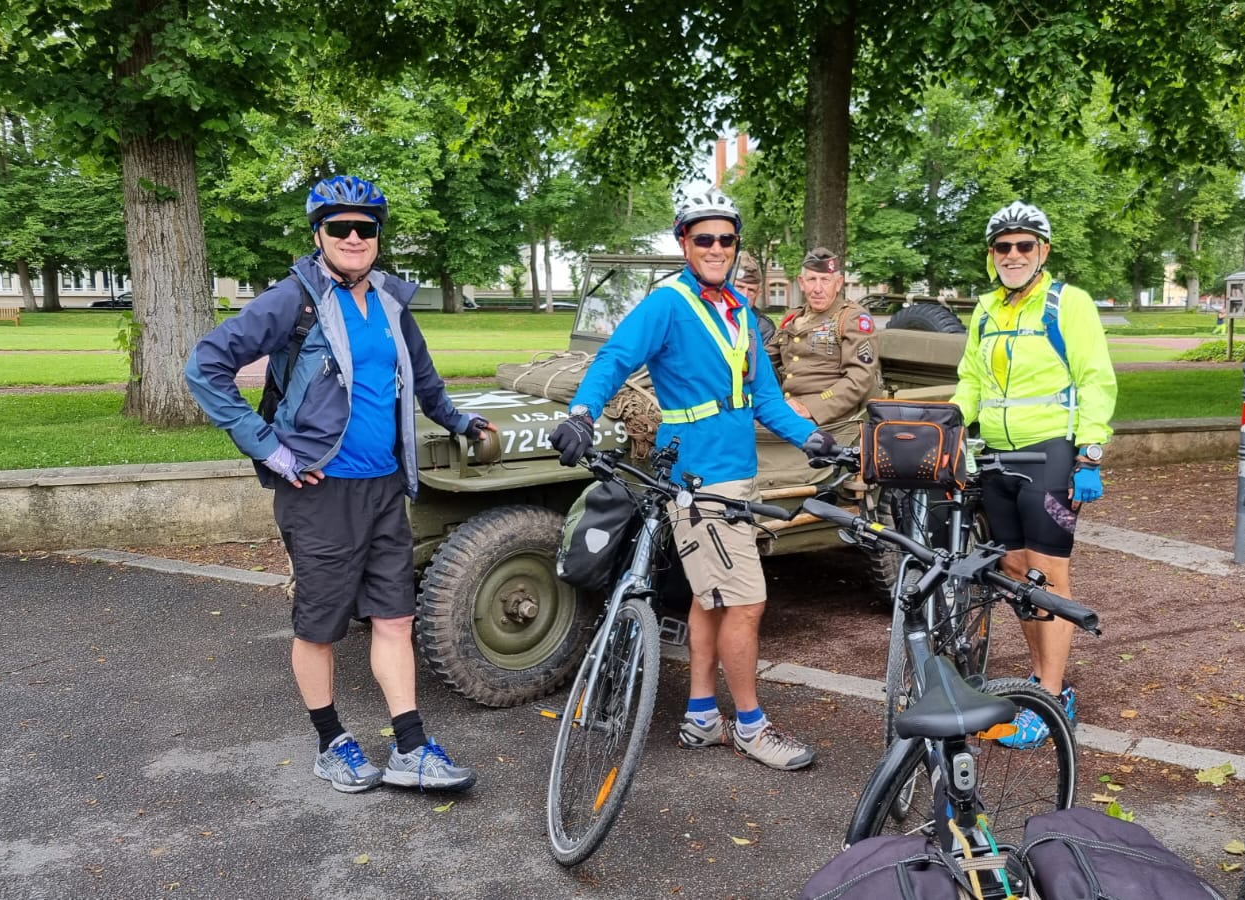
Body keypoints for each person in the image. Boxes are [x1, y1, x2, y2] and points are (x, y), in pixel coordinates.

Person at [185, 175, 494, 793]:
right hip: (318, 493)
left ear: (378, 236)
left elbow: (425, 384)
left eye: (366, 228)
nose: (354, 238)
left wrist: (461, 421)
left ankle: (411, 746)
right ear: (319, 234)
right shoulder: (292, 300)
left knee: (394, 619)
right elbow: (204, 368)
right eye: (339, 228)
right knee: (319, 625)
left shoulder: (388, 304)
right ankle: (332, 742)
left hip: (383, 488)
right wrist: (271, 449)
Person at [548, 187, 839, 771]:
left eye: (725, 239)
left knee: (712, 600)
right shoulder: (668, 304)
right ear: (684, 243)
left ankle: (703, 716)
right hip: (701, 479)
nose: (715, 247)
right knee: (748, 602)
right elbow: (613, 359)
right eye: (703, 238)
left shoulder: (740, 314)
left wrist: (809, 439)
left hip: (738, 477)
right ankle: (752, 726)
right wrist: (582, 413)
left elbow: (764, 399)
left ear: (736, 246)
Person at [949, 201, 1116, 749]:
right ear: (991, 255)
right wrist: (954, 423)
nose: (1013, 255)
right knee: (1017, 575)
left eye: (1025, 245)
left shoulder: (1069, 303)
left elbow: (1095, 377)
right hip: (995, 456)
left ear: (1043, 251)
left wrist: (1090, 450)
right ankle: (1043, 681)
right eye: (1003, 246)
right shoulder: (986, 309)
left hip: (1050, 456)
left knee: (1048, 578)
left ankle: (1049, 694)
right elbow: (971, 376)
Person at [764, 247, 880, 424]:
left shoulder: (852, 318)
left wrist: (812, 407)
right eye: (812, 279)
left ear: (839, 283)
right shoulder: (794, 317)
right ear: (802, 283)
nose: (818, 289)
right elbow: (763, 360)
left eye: (825, 280)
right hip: (788, 407)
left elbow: (859, 377)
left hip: (829, 419)